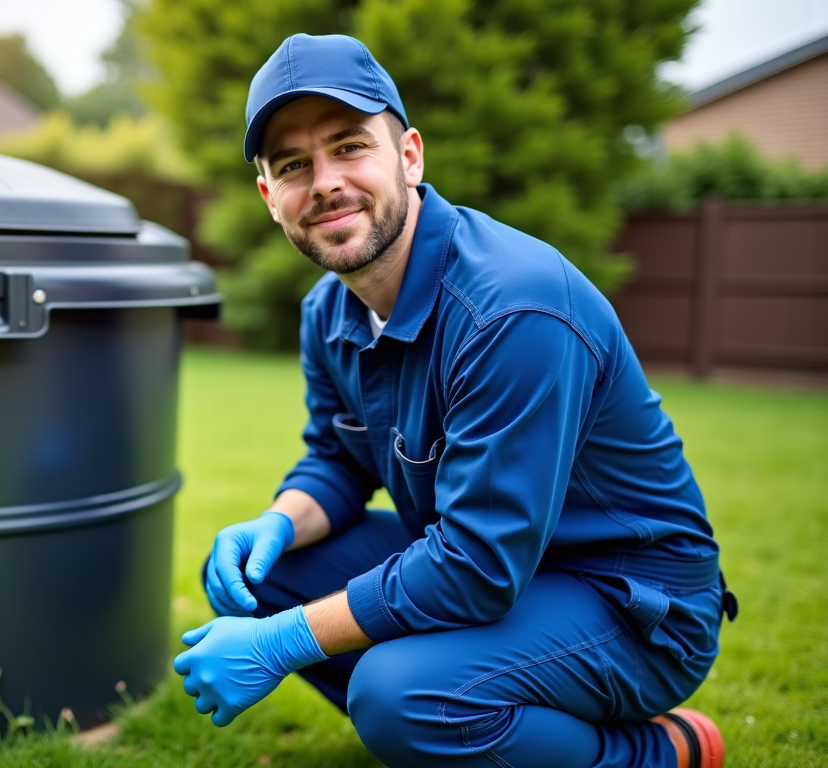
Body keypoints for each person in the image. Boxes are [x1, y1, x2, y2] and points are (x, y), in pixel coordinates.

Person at [173, 33, 737, 768]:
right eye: (293, 166)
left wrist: (285, 644)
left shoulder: (514, 309)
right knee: (261, 580)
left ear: (409, 155)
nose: (324, 182)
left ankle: (654, 752)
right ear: (269, 197)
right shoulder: (328, 310)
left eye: (349, 147)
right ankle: (459, 721)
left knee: (396, 694)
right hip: (497, 567)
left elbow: (477, 564)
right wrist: (278, 522)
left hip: (629, 602)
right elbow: (340, 460)